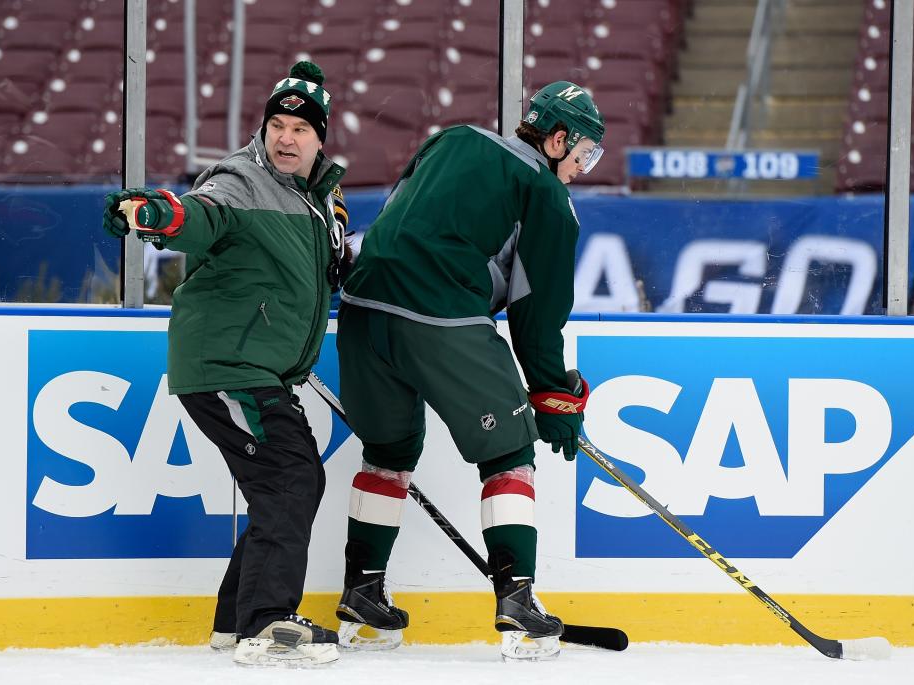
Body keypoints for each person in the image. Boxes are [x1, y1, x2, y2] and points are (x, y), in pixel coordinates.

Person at [333, 81, 605, 661]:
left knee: (388, 451)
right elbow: (537, 316)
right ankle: (517, 600)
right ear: (556, 139)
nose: (584, 166)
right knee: (509, 452)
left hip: (360, 310)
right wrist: (555, 396)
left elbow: (392, 217)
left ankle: (362, 593)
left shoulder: (451, 137)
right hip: (440, 315)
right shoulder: (547, 197)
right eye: (584, 152)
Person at [102, 60, 348, 668]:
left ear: (321, 139)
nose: (286, 138)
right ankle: (265, 624)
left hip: (257, 366)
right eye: (277, 125)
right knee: (292, 480)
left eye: (300, 129)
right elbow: (198, 214)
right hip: (228, 364)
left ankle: (235, 621)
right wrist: (156, 214)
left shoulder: (318, 200)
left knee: (289, 484)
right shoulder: (240, 180)